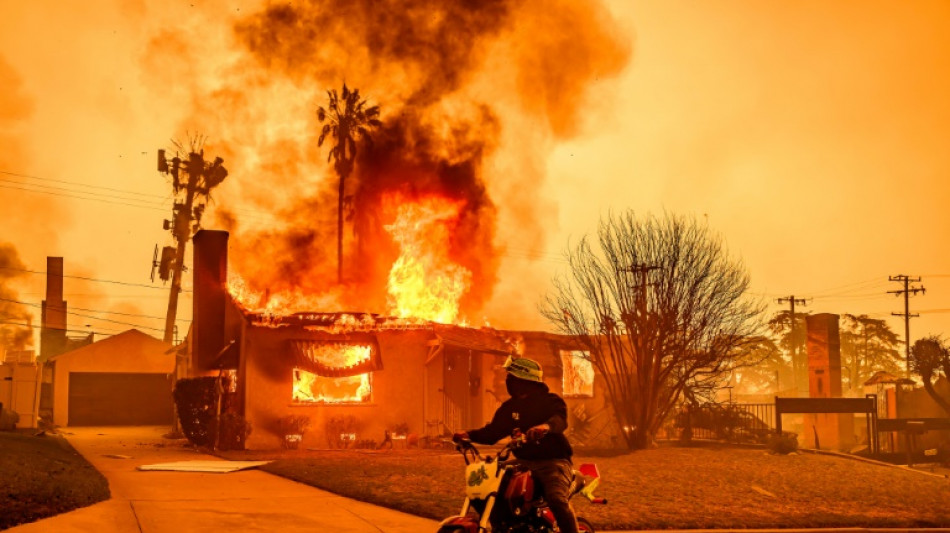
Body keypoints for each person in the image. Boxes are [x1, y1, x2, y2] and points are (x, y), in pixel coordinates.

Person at [453, 356, 579, 533]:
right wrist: (468, 435)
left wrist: (545, 427)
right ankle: (502, 527)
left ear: (524, 380)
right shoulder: (509, 408)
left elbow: (560, 420)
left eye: (511, 378)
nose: (508, 381)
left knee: (556, 499)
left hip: (553, 462)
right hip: (523, 463)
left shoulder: (550, 401)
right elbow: (492, 433)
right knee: (486, 486)